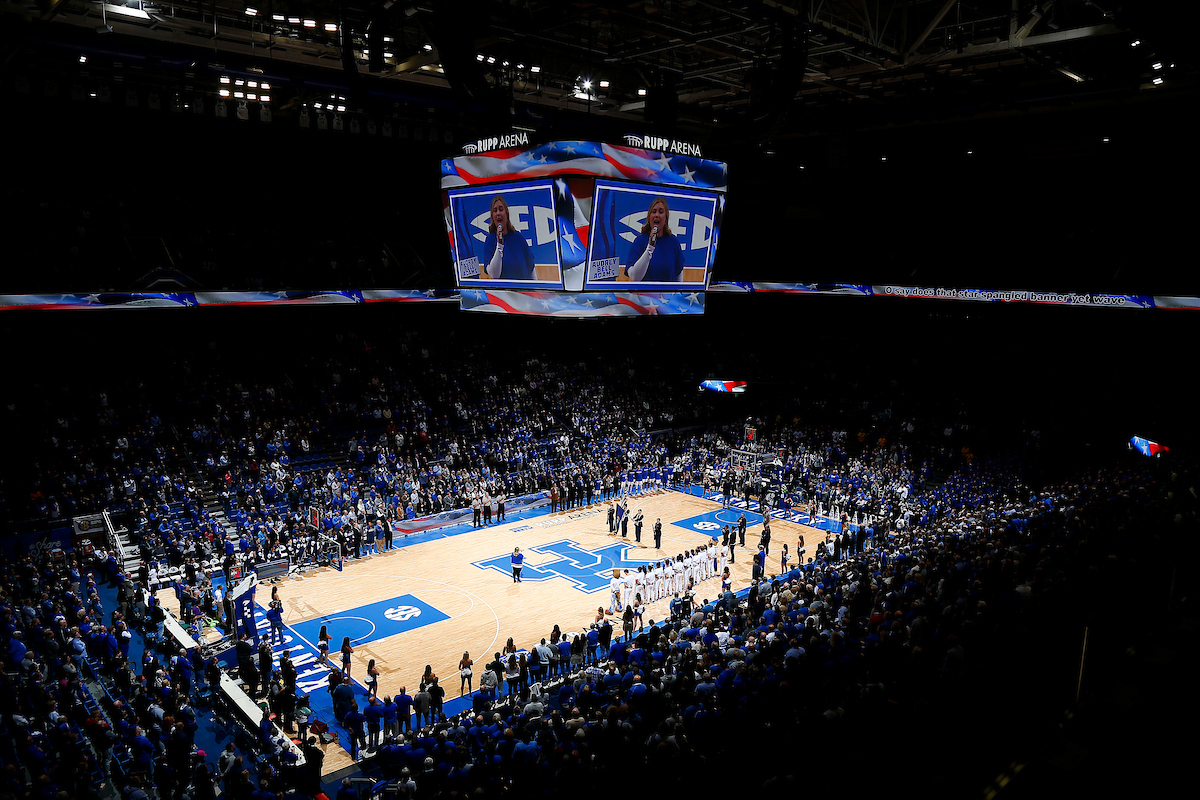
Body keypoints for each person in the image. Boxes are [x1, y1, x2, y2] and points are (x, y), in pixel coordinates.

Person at [481, 195, 535, 280]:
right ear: (492, 216)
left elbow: (531, 271)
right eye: (495, 210)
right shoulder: (490, 240)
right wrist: (499, 245)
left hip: (523, 292)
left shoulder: (518, 237)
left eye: (501, 209)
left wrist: (537, 291)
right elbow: (494, 275)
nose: (498, 213)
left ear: (506, 213)